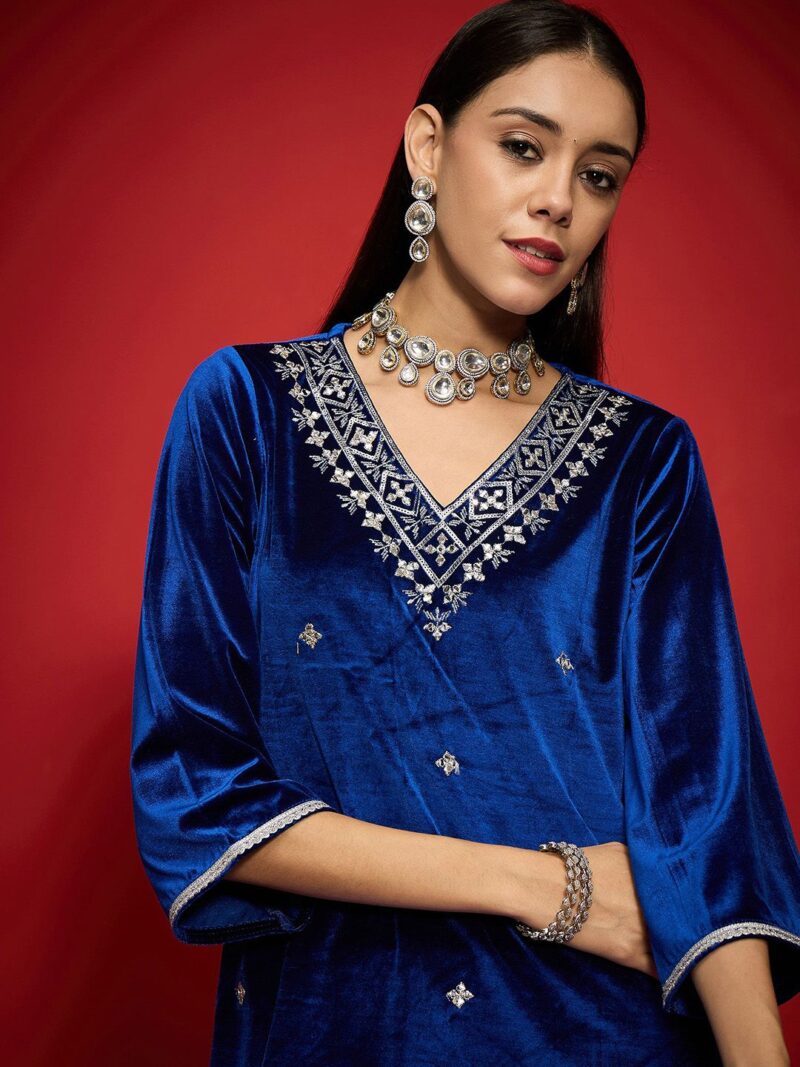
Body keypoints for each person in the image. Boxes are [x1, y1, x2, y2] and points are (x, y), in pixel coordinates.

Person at [129, 1, 800, 1063]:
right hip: (331, 1027)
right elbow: (196, 791)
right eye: (524, 147)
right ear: (428, 147)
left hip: (597, 1030)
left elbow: (708, 818)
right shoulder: (247, 414)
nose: (558, 200)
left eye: (598, 175)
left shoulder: (643, 461)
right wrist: (548, 885)